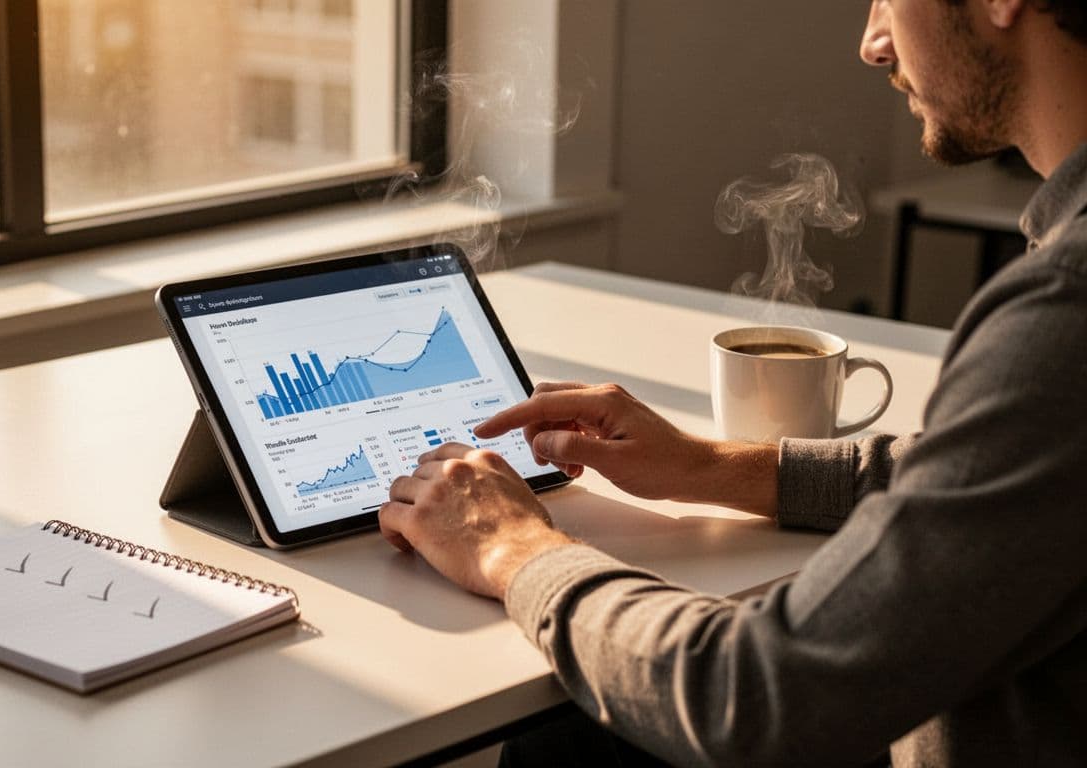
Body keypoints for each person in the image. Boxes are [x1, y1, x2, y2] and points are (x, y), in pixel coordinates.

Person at [378, 1, 1087, 765]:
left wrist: (511, 548)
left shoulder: (1063, 312)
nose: (873, 43)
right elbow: (979, 477)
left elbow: (757, 698)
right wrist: (706, 464)